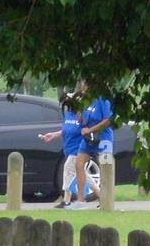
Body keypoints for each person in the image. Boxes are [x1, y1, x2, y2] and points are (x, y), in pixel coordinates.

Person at [39, 89, 95, 208]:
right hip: (68, 149)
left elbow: (86, 131)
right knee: (84, 175)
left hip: (78, 150)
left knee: (67, 170)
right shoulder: (67, 114)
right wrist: (53, 135)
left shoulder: (82, 115)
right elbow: (66, 129)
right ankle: (102, 195)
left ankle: (66, 200)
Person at [68, 81, 113, 210]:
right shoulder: (84, 101)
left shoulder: (102, 100)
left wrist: (91, 129)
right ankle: (81, 200)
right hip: (89, 139)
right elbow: (80, 120)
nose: (82, 87)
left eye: (85, 85)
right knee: (79, 164)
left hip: (103, 137)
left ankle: (106, 200)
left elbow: (107, 120)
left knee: (105, 167)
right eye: (81, 85)